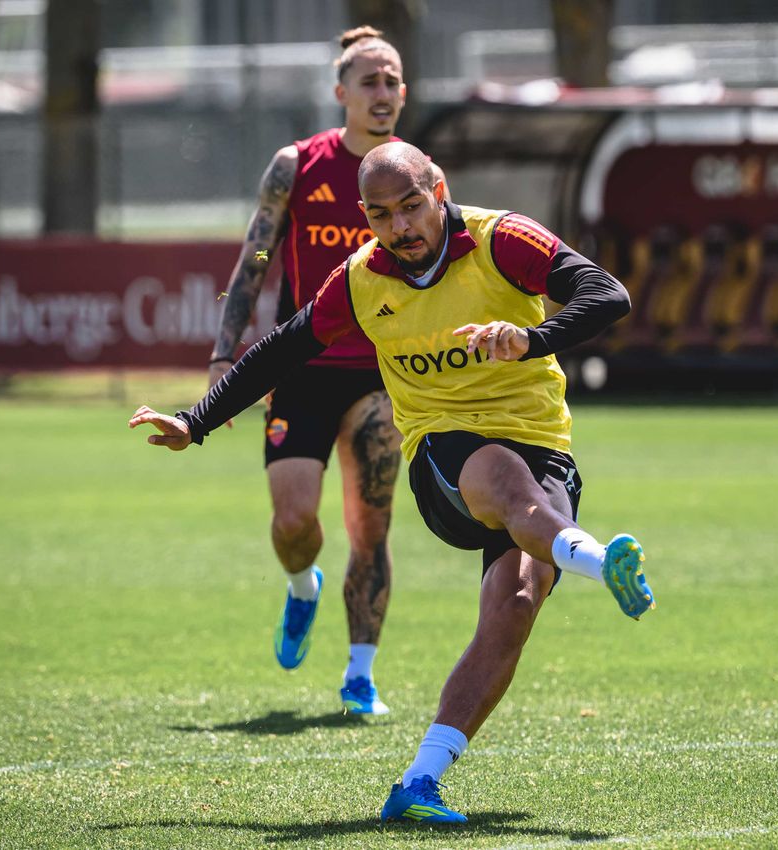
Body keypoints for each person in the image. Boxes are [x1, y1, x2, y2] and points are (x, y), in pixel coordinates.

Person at [131, 141, 655, 824]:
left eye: (412, 206)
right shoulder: (361, 277)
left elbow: (607, 294)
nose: (401, 227)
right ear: (365, 218)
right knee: (501, 479)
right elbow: (283, 347)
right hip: (446, 452)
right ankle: (596, 559)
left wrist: (532, 338)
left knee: (516, 603)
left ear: (439, 189)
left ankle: (419, 782)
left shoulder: (503, 240)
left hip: (542, 441)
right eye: (382, 215)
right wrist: (195, 421)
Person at [207, 26, 431, 715]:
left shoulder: (420, 174)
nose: (384, 93)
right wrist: (225, 353)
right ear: (341, 94)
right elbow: (254, 258)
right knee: (294, 520)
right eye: (370, 81)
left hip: (380, 372)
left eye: (393, 80)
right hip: (301, 368)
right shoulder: (296, 164)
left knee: (372, 528)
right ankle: (301, 586)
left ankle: (360, 675)